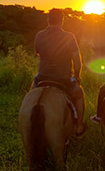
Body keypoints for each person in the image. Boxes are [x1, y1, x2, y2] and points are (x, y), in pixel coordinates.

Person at [33, 8, 86, 136]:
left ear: (48, 20)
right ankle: (79, 126)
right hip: (63, 79)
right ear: (61, 21)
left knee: (32, 94)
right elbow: (77, 60)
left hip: (42, 77)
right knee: (79, 95)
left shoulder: (39, 35)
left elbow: (38, 53)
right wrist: (77, 76)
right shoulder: (69, 37)